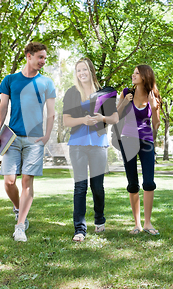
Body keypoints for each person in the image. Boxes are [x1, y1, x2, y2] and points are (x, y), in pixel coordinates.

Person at [0, 42, 56, 242]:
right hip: (12, 137)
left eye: (45, 58)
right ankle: (19, 207)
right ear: (28, 56)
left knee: (27, 181)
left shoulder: (46, 83)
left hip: (35, 140)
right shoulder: (10, 80)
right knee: (9, 181)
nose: (43, 61)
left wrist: (46, 136)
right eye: (40, 57)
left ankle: (20, 225)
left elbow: (52, 113)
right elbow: (2, 108)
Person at [63, 58, 118, 242]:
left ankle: (99, 219)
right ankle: (79, 229)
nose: (81, 73)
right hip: (77, 144)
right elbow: (66, 121)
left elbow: (115, 118)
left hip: (98, 144)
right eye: (78, 70)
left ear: (91, 71)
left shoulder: (104, 93)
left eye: (84, 69)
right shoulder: (72, 93)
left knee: (97, 187)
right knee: (80, 187)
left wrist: (102, 117)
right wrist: (83, 121)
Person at [116, 64, 161, 235]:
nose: (133, 75)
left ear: (145, 76)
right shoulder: (127, 92)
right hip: (127, 140)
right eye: (133, 72)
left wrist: (154, 106)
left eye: (136, 73)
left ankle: (148, 223)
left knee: (149, 182)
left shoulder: (153, 95)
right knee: (132, 183)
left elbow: (156, 125)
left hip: (146, 141)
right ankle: (137, 224)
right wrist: (124, 103)